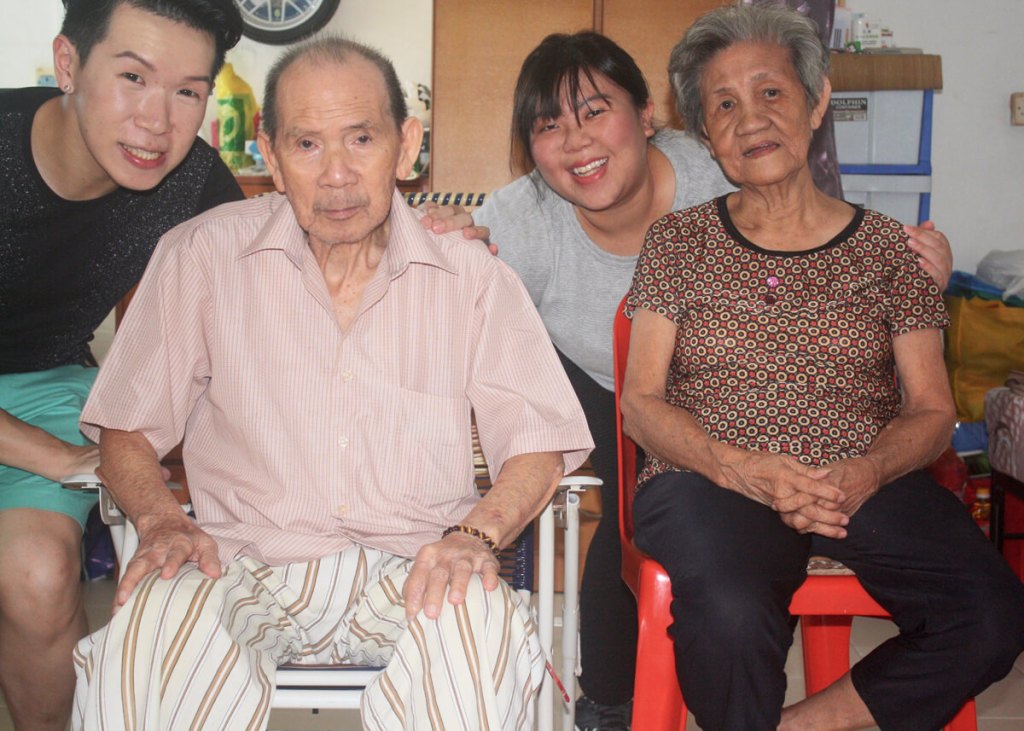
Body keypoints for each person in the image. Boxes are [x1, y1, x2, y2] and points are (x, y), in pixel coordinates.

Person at [421, 29, 955, 729]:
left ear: (648, 116)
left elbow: (809, 243)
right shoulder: (523, 220)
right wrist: (440, 242)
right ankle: (609, 700)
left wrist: (916, 279)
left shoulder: (714, 170)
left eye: (593, 111)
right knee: (626, 500)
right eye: (547, 126)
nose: (577, 141)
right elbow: (440, 286)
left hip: (711, 374)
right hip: (591, 373)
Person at [72, 36, 594, 731]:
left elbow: (537, 442)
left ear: (405, 146)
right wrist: (163, 520)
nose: (338, 175)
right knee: (142, 651)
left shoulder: (470, 274)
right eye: (308, 144)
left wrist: (477, 533)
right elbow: (127, 427)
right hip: (241, 559)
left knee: (481, 641)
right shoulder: (201, 256)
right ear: (272, 153)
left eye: (361, 138)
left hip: (420, 558)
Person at [620, 5, 1024, 730]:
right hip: (709, 475)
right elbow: (642, 403)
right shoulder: (677, 243)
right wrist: (742, 466)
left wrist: (863, 471)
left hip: (861, 479)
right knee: (732, 613)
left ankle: (803, 725)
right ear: (707, 136)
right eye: (723, 104)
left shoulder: (889, 250)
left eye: (771, 92)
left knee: (991, 610)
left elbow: (933, 410)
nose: (751, 119)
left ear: (817, 102)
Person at [0, 0, 243, 727]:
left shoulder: (192, 180)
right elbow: (73, 459)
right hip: (42, 437)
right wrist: (63, 459)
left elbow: (286, 271)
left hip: (43, 384)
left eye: (188, 92)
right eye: (133, 76)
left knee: (37, 575)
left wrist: (416, 234)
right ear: (68, 64)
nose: (157, 121)